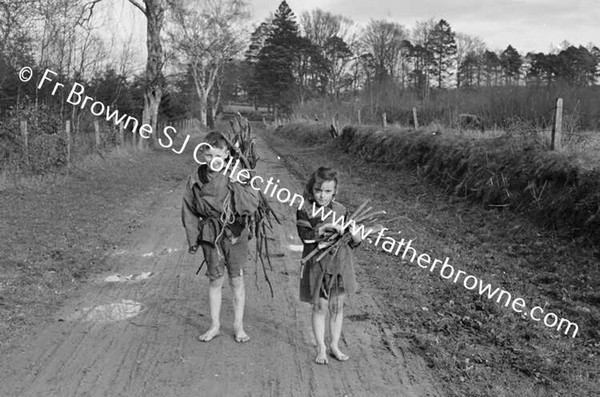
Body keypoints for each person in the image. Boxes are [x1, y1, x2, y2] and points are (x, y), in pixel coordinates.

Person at [182, 131, 259, 343]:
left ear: (226, 153)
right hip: (210, 233)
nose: (212, 160)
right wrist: (192, 238)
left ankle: (238, 326)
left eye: (218, 155)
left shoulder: (238, 174)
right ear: (202, 154)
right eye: (208, 156)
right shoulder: (197, 177)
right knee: (215, 280)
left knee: (236, 279)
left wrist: (236, 184)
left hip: (234, 232)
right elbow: (188, 209)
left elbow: (251, 205)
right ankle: (215, 325)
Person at [296, 166, 363, 364]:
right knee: (319, 306)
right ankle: (321, 347)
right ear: (311, 189)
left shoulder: (342, 210)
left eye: (327, 191)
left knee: (337, 305)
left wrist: (357, 237)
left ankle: (334, 344)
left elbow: (351, 241)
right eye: (318, 190)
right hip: (317, 265)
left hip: (339, 264)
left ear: (335, 192)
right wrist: (322, 230)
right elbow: (305, 237)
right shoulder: (304, 210)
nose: (322, 196)